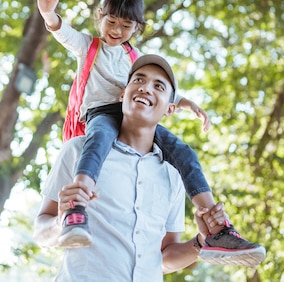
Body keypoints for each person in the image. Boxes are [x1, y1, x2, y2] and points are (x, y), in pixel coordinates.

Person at [36, 0, 265, 266]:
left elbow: (164, 259)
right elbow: (64, 32)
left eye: (125, 25)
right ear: (99, 16)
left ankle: (217, 227)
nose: (116, 30)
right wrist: (49, 13)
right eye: (111, 22)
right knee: (96, 143)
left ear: (137, 27)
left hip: (130, 116)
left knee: (183, 152)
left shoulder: (134, 59)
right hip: (102, 114)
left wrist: (185, 103)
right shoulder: (90, 47)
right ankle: (76, 207)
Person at [34, 55, 231, 280]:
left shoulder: (173, 175)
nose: (146, 88)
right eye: (138, 80)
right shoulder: (78, 151)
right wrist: (62, 220)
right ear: (122, 95)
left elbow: (164, 257)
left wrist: (201, 242)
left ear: (170, 108)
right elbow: (41, 231)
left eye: (159, 86)